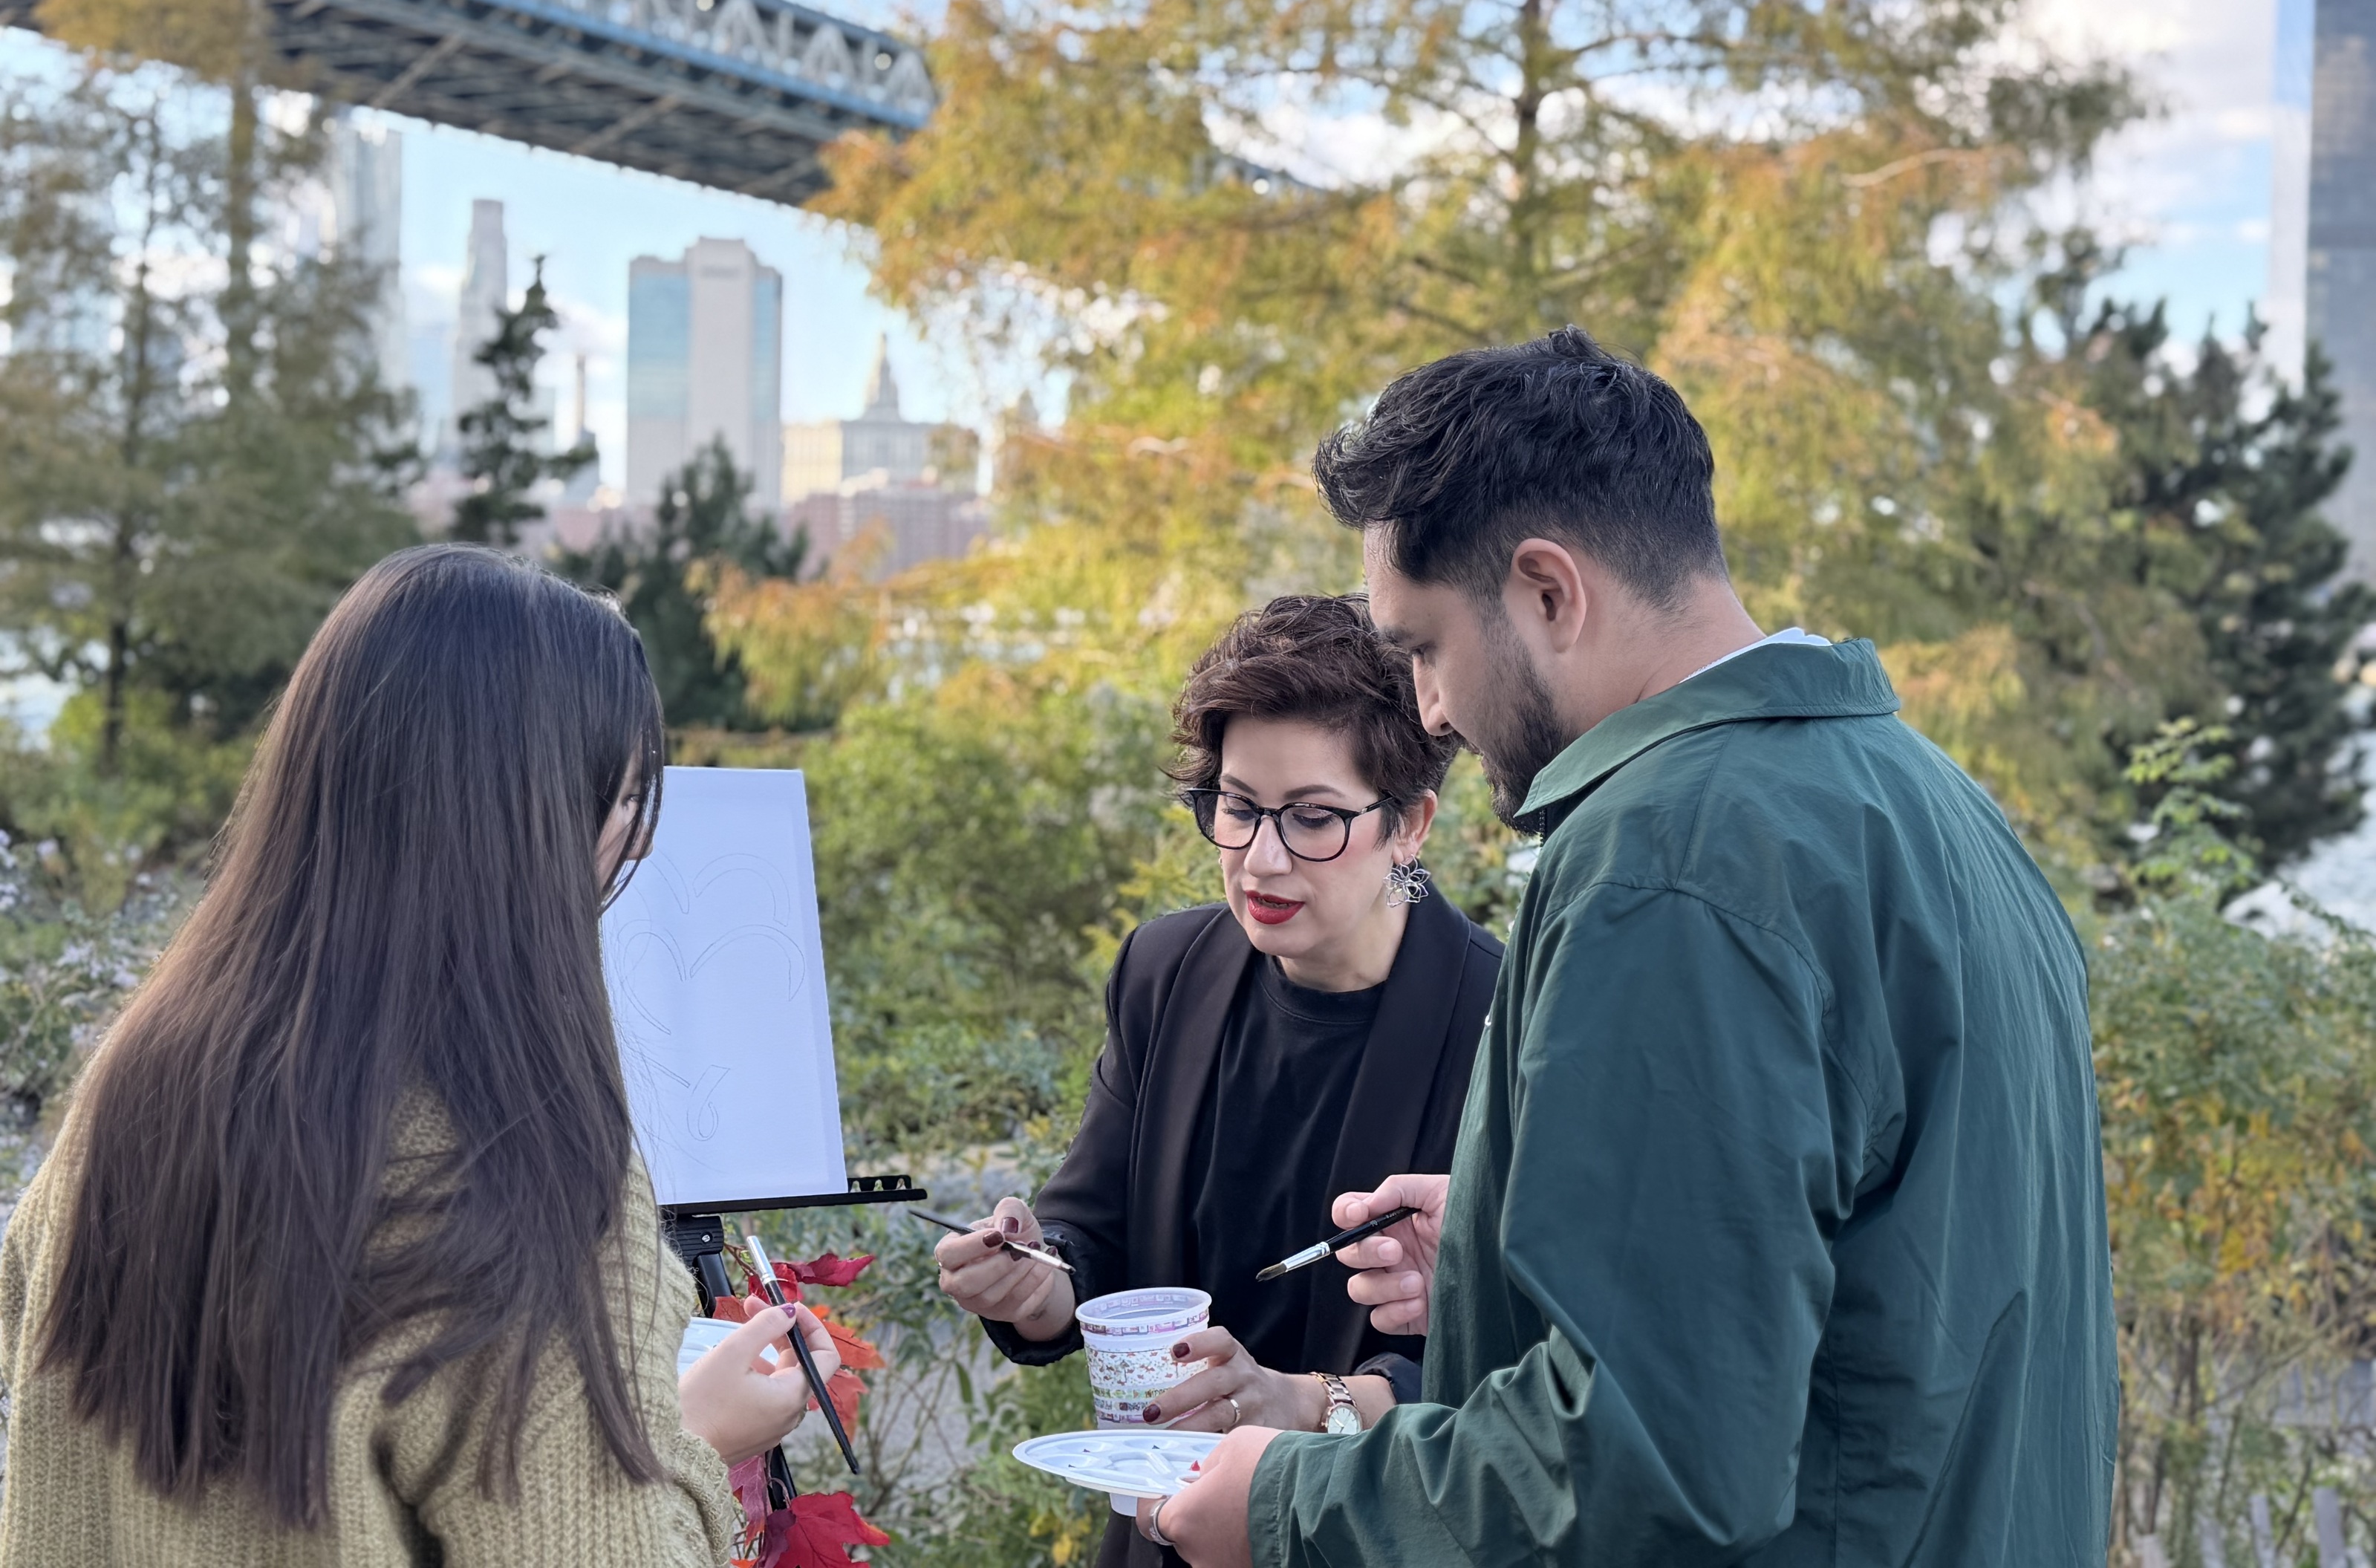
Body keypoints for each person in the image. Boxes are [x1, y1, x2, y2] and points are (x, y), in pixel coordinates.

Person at [1145, 327, 2117, 1567]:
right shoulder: (1929, 801)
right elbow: (1877, 1290)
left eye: (1427, 647)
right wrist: (1499, 1253)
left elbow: (1648, 1457)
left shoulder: (1667, 863)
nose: (1431, 709)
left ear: (1549, 593)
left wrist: (1291, 1504)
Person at [0, 544, 838, 1567]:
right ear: (521, 829)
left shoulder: (133, 1087)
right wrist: (691, 1449)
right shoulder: (522, 1168)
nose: (642, 844)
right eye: (624, 803)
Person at [934, 593, 1500, 1568]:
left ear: (1410, 824)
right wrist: (1031, 1280)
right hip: (1162, 1535)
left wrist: (1298, 1403)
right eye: (1238, 808)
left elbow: (1510, 1372)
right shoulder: (1167, 971)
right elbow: (1092, 1239)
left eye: (1314, 818)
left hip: (1373, 1534)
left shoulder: (1502, 1020)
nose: (1262, 860)